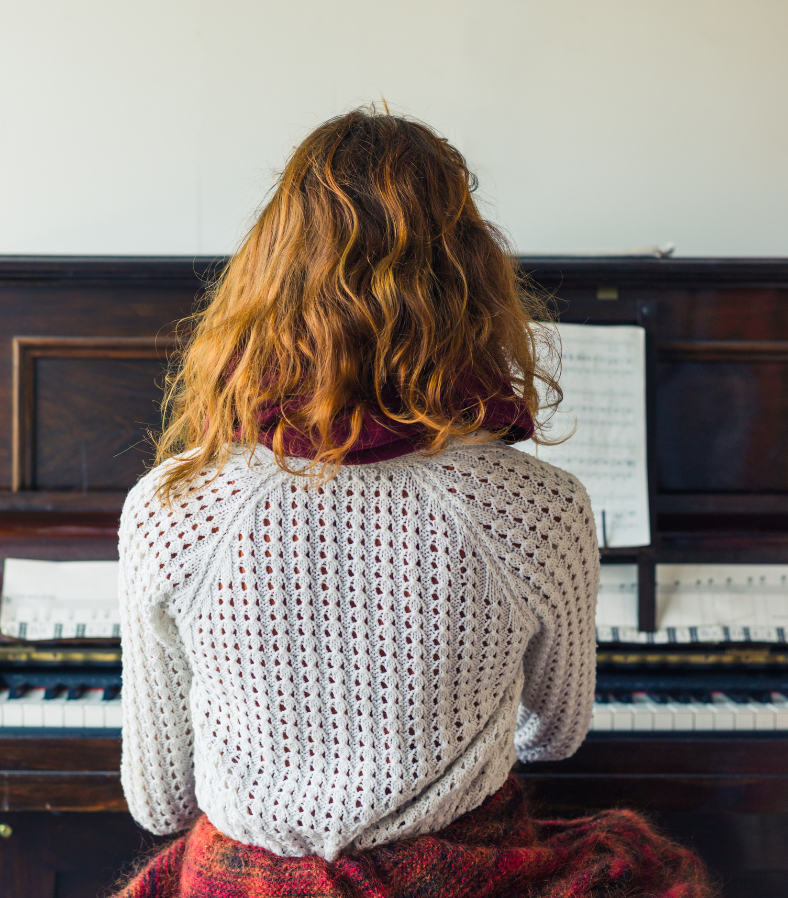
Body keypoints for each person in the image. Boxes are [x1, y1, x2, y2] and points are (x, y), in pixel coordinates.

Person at [113, 107, 717, 897]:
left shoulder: (173, 504)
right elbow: (555, 737)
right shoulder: (539, 507)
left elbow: (158, 802)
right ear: (471, 283)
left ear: (266, 279)